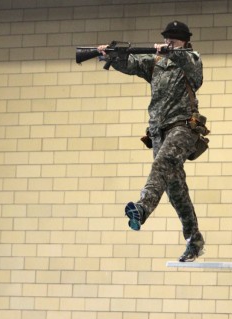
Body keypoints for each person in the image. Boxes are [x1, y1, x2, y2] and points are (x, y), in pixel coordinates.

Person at [97, 20, 205, 262]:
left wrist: (173, 52)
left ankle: (142, 208)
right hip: (158, 132)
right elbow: (131, 64)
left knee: (161, 165)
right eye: (167, 38)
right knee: (175, 189)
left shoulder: (191, 59)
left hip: (183, 127)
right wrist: (112, 56)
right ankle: (194, 239)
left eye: (175, 39)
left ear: (185, 41)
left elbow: (194, 73)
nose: (169, 42)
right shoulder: (156, 61)